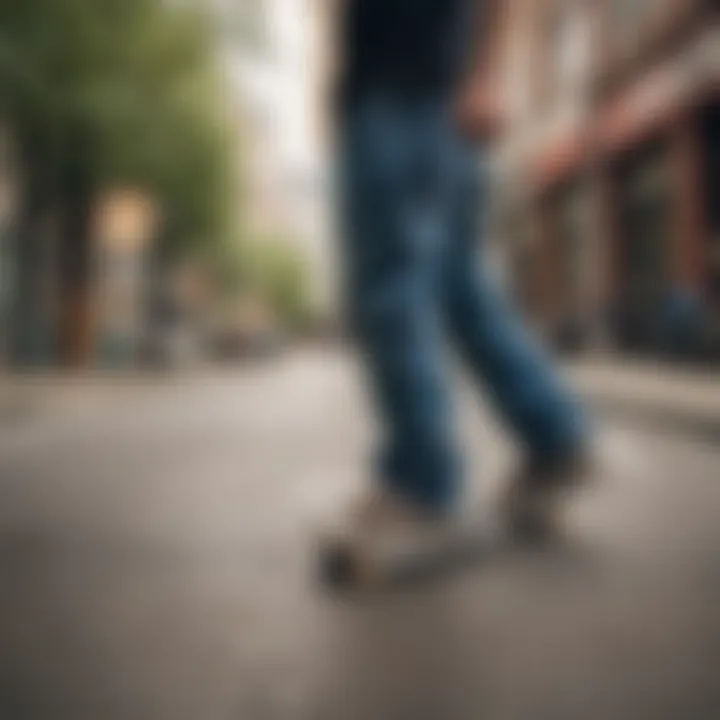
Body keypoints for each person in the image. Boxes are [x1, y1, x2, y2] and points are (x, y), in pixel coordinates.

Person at [322, 0, 593, 583]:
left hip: (404, 92)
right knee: (458, 286)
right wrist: (482, 80)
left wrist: (485, 76)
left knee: (391, 288)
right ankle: (555, 438)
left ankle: (420, 481)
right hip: (438, 98)